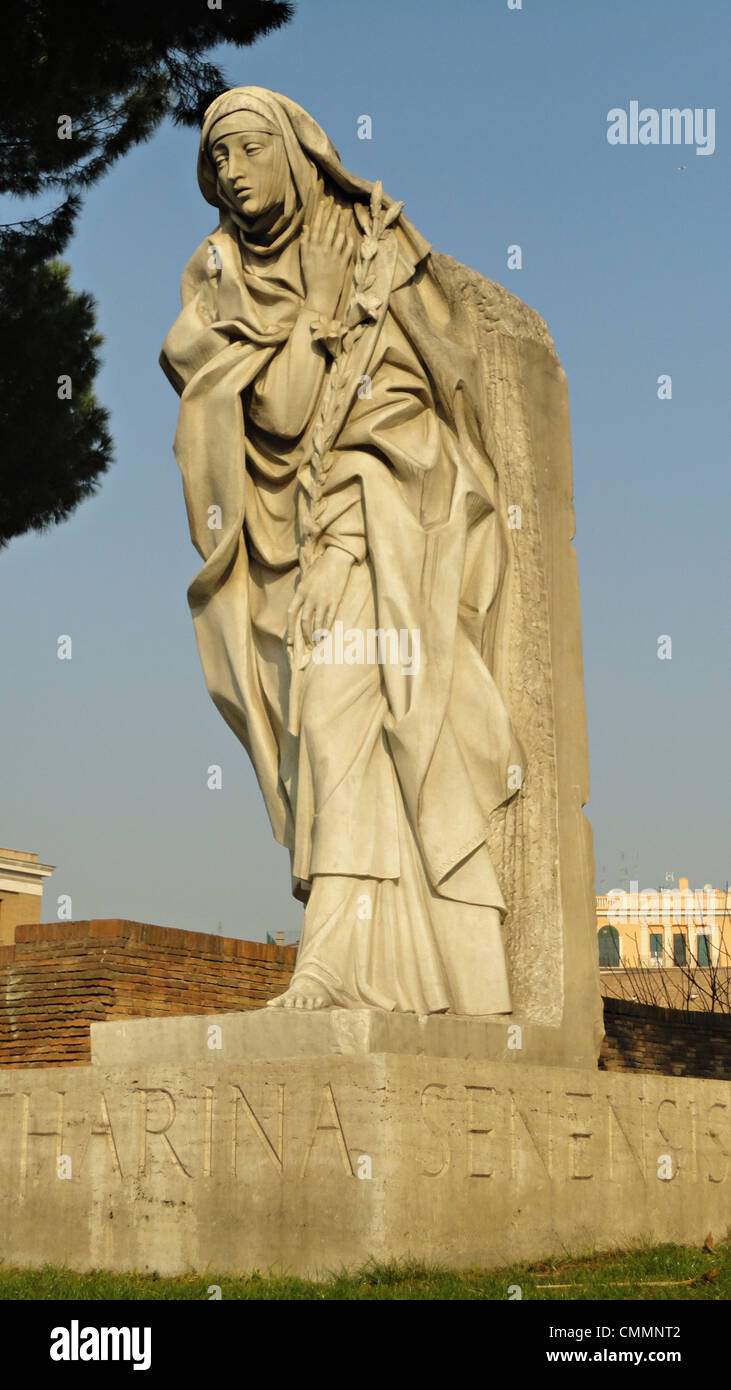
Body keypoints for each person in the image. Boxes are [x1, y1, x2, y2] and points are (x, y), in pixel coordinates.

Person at [160, 87, 523, 1015]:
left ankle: (332, 964)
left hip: (384, 537)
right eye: (217, 158)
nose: (232, 172)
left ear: (294, 151)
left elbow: (415, 414)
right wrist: (309, 323)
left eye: (248, 148)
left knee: (339, 721)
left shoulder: (372, 251)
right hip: (280, 551)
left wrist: (344, 539)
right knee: (318, 741)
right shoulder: (219, 275)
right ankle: (426, 978)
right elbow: (268, 416)